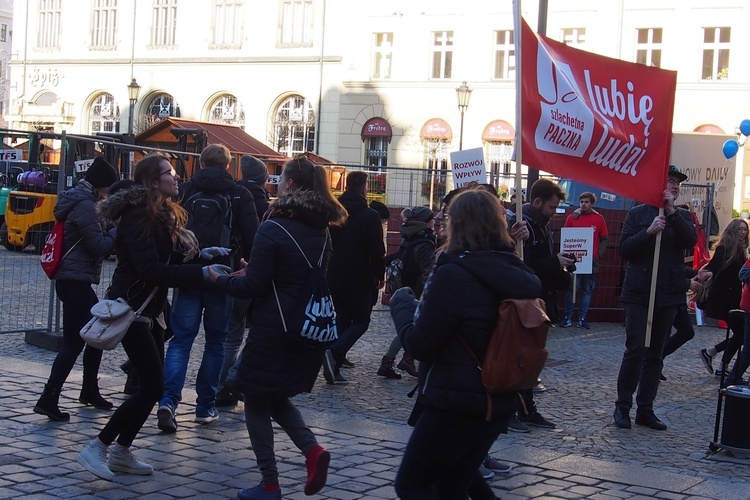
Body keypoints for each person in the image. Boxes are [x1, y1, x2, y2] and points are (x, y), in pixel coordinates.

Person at [205, 156, 347, 499]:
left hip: (272, 327)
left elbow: (254, 285)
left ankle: (270, 483)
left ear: (291, 186)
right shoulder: (321, 227)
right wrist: (253, 269)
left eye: (281, 178)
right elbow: (292, 275)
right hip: (304, 326)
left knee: (254, 398)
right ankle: (312, 451)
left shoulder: (274, 226)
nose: (277, 183)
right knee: (274, 395)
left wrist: (219, 279)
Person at [388, 188, 542, 498]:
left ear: (456, 224)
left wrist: (402, 306)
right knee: (455, 482)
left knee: (412, 484)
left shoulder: (454, 274)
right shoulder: (516, 271)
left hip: (456, 401)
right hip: (499, 399)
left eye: (446, 219)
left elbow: (420, 344)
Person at [75, 153, 217, 480]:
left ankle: (122, 451)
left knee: (152, 385)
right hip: (131, 309)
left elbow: (165, 261)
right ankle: (97, 446)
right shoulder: (139, 216)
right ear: (154, 182)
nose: (177, 177)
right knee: (152, 386)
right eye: (169, 173)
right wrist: (201, 272)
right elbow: (151, 270)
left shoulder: (161, 214)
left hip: (150, 311)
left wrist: (201, 256)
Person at [157, 144, 259, 432]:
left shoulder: (184, 190)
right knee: (216, 342)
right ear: (229, 165)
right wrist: (247, 268)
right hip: (223, 273)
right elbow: (252, 236)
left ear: (201, 163)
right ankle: (205, 406)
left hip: (190, 271)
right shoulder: (239, 193)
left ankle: (168, 401)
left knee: (180, 341)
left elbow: (170, 229)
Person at [33, 157, 120, 421]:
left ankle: (88, 389)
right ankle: (49, 398)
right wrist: (118, 230)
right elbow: (100, 246)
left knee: (95, 333)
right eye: (108, 188)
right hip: (74, 280)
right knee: (74, 342)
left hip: (73, 279)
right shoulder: (85, 206)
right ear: (101, 186)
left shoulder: (81, 201)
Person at [613, 165, 697, 431]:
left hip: (668, 294)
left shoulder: (681, 215)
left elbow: (690, 240)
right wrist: (648, 232)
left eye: (677, 183)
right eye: (670, 182)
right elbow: (625, 250)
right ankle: (622, 406)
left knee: (656, 355)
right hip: (640, 292)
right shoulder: (637, 214)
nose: (674, 186)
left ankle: (645, 409)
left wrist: (672, 213)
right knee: (636, 348)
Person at [507, 178, 571, 430]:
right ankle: (514, 410)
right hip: (524, 302)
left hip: (539, 299)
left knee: (530, 358)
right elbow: (525, 267)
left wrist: (562, 272)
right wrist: (555, 263)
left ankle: (526, 408)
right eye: (552, 207)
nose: (554, 213)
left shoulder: (540, 225)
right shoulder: (523, 226)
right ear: (537, 202)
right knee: (520, 358)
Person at [216, 154, 271, 407]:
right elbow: (255, 238)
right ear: (264, 179)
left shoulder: (231, 193)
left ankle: (220, 386)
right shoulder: (260, 202)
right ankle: (230, 381)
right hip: (247, 270)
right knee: (255, 333)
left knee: (230, 333)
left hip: (225, 267)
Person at [322, 171, 386, 385]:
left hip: (334, 273)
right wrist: (380, 274)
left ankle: (335, 366)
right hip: (359, 275)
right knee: (361, 320)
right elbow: (377, 249)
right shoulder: (370, 216)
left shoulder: (335, 211)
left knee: (341, 318)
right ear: (363, 188)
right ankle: (334, 352)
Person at [378, 206, 437, 379]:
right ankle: (401, 359)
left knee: (410, 326)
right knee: (414, 327)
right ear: (427, 222)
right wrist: (429, 293)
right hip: (417, 289)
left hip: (404, 286)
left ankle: (394, 361)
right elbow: (428, 270)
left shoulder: (410, 236)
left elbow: (399, 256)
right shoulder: (425, 241)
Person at [697, 218, 749, 376]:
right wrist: (706, 273)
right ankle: (714, 356)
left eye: (745, 230)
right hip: (724, 298)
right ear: (732, 230)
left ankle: (717, 360)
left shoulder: (740, 249)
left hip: (733, 297)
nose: (743, 232)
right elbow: (714, 266)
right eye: (739, 229)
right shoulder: (725, 248)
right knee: (741, 335)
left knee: (740, 335)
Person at [561, 191, 610, 329]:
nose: (583, 204)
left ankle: (582, 318)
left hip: (591, 261)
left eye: (586, 202)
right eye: (581, 201)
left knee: (587, 291)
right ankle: (568, 317)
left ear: (592, 204)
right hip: (574, 262)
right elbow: (567, 236)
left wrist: (598, 254)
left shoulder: (599, 219)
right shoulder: (572, 218)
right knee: (572, 289)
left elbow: (605, 238)